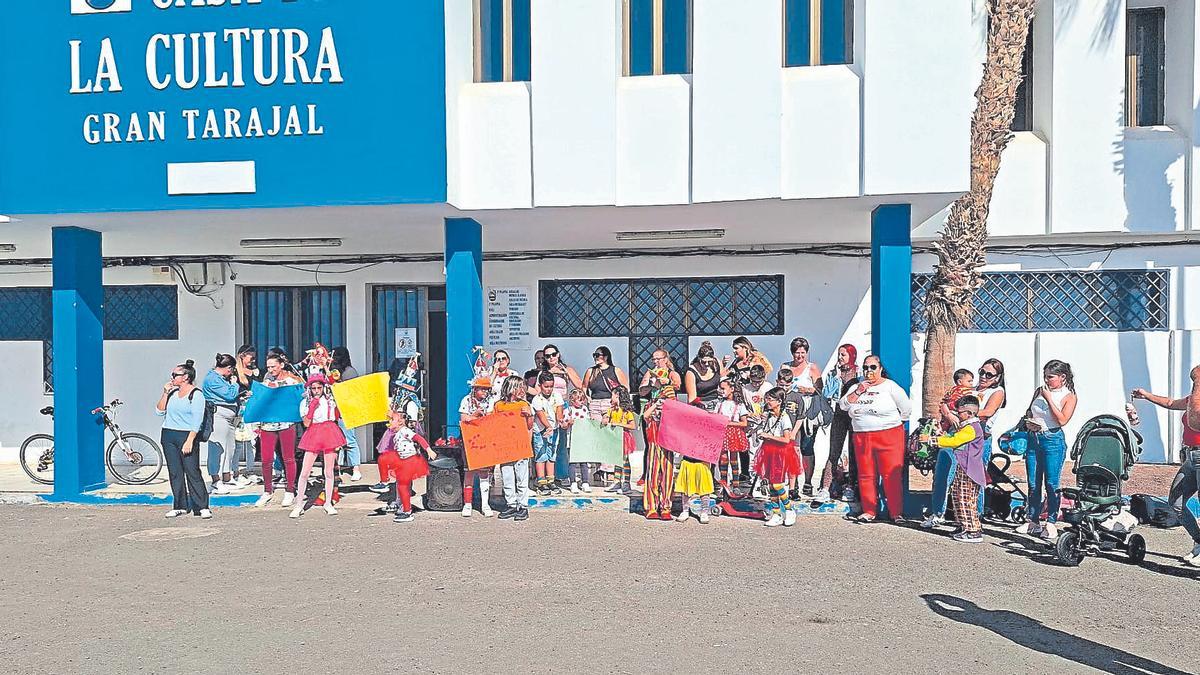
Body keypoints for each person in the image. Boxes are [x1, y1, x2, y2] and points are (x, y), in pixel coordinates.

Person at [924, 358, 1007, 529]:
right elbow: (945, 403)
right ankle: (938, 513)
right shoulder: (967, 389)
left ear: (997, 377)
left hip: (977, 438)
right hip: (955, 433)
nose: (983, 376)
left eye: (989, 374)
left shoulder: (997, 392)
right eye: (981, 372)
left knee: (973, 479)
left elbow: (987, 412)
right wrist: (949, 414)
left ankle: (973, 519)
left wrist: (960, 413)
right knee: (943, 474)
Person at [1131, 364, 1200, 566]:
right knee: (1176, 503)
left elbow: (1196, 421)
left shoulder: (1196, 403)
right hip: (1190, 456)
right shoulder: (1192, 401)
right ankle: (1198, 541)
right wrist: (1147, 395)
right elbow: (1170, 403)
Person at [839, 355, 912, 523]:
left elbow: (906, 409)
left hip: (889, 435)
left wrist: (889, 424)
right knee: (866, 475)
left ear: (880, 369)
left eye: (872, 367)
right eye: (866, 367)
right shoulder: (857, 386)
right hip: (862, 436)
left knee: (890, 475)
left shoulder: (890, 386)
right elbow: (843, 405)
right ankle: (869, 511)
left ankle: (896, 512)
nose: (868, 371)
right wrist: (858, 391)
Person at [1017, 359, 1078, 540]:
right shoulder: (1039, 391)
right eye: (1045, 376)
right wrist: (1029, 421)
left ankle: (1051, 521)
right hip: (1034, 438)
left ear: (1062, 377)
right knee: (1034, 483)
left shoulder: (1069, 396)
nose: (1047, 380)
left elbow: (1061, 420)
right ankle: (1033, 519)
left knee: (1051, 483)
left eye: (1050, 377)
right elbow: (1030, 410)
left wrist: (1049, 398)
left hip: (1052, 439)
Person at [921, 396, 987, 543]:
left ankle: (973, 530)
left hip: (970, 471)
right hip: (963, 468)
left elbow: (955, 440)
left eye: (960, 412)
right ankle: (963, 525)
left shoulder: (972, 428)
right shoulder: (966, 427)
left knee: (966, 499)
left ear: (970, 413)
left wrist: (933, 440)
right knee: (957, 496)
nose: (957, 415)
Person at [156, 360, 212, 519]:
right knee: (175, 472)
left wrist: (189, 440)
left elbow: (197, 420)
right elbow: (160, 411)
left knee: (192, 471)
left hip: (187, 435)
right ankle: (179, 505)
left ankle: (201, 506)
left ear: (186, 377)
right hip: (169, 434)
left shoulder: (196, 394)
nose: (172, 377)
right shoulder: (173, 393)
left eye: (175, 375)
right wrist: (165, 393)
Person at [290, 374, 346, 518]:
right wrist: (313, 405)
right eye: (313, 388)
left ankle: (328, 503)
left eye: (319, 387)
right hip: (313, 433)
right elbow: (306, 423)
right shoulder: (305, 403)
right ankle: (299, 505)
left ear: (323, 387)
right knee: (305, 472)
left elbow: (337, 416)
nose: (316, 390)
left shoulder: (330, 400)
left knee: (328, 472)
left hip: (329, 432)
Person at [255, 353, 302, 508]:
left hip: (286, 423)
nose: (270, 369)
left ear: (281, 365)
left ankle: (290, 490)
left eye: (273, 366)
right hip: (268, 424)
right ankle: (267, 491)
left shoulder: (291, 380)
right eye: (268, 367)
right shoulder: (267, 380)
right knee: (266, 459)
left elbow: (301, 393)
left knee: (289, 458)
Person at [639, 350, 680, 521]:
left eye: (658, 359)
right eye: (654, 359)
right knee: (653, 464)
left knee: (668, 465)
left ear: (665, 359)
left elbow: (678, 386)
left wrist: (667, 382)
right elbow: (641, 391)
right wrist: (652, 385)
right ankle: (651, 505)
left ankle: (666, 505)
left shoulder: (672, 373)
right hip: (653, 416)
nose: (655, 362)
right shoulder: (650, 372)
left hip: (668, 417)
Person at [782, 337, 826, 499]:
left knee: (807, 448)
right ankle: (792, 484)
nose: (799, 356)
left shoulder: (812, 368)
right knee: (790, 448)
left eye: (802, 353)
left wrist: (807, 390)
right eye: (797, 353)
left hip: (808, 413)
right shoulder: (785, 367)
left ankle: (807, 482)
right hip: (789, 413)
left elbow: (821, 390)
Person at [376, 408, 434, 524]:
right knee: (399, 482)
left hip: (410, 461)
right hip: (402, 461)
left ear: (401, 422)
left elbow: (418, 438)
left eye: (392, 420)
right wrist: (390, 414)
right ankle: (395, 497)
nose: (390, 422)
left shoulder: (404, 431)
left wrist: (428, 450)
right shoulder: (396, 432)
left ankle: (407, 512)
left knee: (403, 486)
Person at [756, 387, 799, 528]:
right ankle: (776, 513)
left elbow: (787, 439)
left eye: (770, 399)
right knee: (770, 484)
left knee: (777, 483)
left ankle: (788, 509)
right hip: (768, 451)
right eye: (766, 399)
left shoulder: (785, 418)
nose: (767, 402)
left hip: (781, 453)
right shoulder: (769, 415)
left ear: (779, 401)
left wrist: (769, 436)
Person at [821, 344, 859, 502]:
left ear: (852, 355)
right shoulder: (834, 373)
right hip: (838, 414)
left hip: (853, 415)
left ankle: (850, 486)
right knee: (834, 451)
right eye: (839, 354)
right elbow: (827, 393)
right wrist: (836, 376)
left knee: (853, 451)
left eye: (843, 354)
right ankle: (824, 487)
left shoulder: (859, 372)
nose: (840, 358)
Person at [202, 354, 242, 495]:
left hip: (229, 417)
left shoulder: (221, 378)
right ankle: (215, 480)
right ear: (228, 368)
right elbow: (230, 395)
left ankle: (226, 478)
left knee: (229, 448)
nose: (232, 373)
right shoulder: (212, 378)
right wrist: (235, 383)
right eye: (232, 370)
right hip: (218, 416)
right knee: (218, 449)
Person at [495, 375, 534, 522]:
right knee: (507, 476)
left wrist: (529, 415)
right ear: (511, 388)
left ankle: (523, 506)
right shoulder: (499, 405)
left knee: (521, 477)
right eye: (519, 387)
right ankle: (511, 504)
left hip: (520, 445)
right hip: (505, 446)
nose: (522, 389)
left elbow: (529, 425)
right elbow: (494, 424)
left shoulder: (524, 405)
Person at [542, 344, 583, 484]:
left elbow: (579, 385)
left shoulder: (567, 369)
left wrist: (566, 371)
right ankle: (549, 476)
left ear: (558, 354)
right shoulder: (544, 372)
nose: (551, 358)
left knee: (563, 443)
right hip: (547, 408)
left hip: (563, 407)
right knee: (548, 443)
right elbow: (537, 389)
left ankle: (563, 474)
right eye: (547, 356)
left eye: (553, 354)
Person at [458, 375, 496, 518]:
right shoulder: (466, 400)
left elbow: (492, 419)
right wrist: (475, 415)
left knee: (484, 473)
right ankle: (467, 504)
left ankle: (485, 504)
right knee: (469, 472)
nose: (485, 392)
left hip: (485, 440)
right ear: (475, 389)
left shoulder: (491, 401)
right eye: (482, 389)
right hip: (470, 441)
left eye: (487, 389)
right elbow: (464, 419)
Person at [330, 346, 362, 483]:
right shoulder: (331, 371)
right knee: (336, 442)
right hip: (333, 410)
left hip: (346, 409)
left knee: (349, 440)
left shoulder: (349, 372)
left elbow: (352, 392)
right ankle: (339, 466)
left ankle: (356, 468)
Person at [530, 372, 565, 496]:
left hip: (554, 430)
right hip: (541, 431)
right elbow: (541, 416)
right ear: (540, 386)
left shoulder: (557, 396)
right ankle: (541, 481)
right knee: (541, 455)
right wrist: (548, 427)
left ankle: (551, 480)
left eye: (551, 386)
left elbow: (559, 411)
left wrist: (560, 421)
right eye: (546, 386)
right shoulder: (536, 400)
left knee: (551, 454)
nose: (549, 389)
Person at [231, 344, 261, 486]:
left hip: (253, 409)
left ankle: (250, 470)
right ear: (242, 356)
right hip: (240, 410)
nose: (253, 360)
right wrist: (243, 394)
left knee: (252, 442)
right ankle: (234, 471)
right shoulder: (235, 373)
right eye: (251, 357)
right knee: (238, 442)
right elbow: (231, 391)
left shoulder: (255, 371)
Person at [603, 385, 638, 493]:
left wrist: (618, 424)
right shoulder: (612, 410)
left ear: (617, 396)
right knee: (616, 460)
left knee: (624, 460)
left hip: (624, 438)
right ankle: (616, 482)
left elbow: (633, 426)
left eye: (612, 395)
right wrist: (605, 419)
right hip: (615, 437)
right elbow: (606, 419)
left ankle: (626, 483)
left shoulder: (627, 412)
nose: (611, 398)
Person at [716, 378, 750, 488]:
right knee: (723, 459)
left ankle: (735, 485)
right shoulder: (719, 404)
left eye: (723, 388)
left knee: (734, 459)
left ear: (732, 389)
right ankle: (724, 485)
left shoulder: (739, 405)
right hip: (721, 433)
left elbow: (744, 423)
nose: (720, 390)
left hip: (734, 434)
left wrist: (729, 423)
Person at [582, 345, 628, 419]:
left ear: (606, 357)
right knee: (596, 426)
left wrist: (617, 398)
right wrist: (588, 398)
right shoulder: (590, 371)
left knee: (610, 427)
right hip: (595, 403)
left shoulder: (616, 370)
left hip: (610, 402)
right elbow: (584, 386)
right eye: (594, 355)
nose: (595, 357)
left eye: (597, 355)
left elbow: (625, 387)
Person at [562, 389, 593, 493]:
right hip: (572, 440)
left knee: (584, 462)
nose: (582, 402)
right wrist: (569, 423)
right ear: (572, 400)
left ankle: (585, 482)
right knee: (572, 462)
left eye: (583, 399)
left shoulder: (585, 409)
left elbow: (588, 423)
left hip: (583, 440)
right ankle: (573, 483)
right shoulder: (568, 410)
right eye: (579, 400)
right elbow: (564, 425)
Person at [684, 341, 722, 411]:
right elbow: (692, 398)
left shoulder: (717, 364)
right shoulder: (691, 372)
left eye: (710, 361)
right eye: (704, 362)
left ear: (713, 359)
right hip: (702, 403)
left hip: (718, 401)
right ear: (699, 359)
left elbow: (724, 380)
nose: (707, 364)